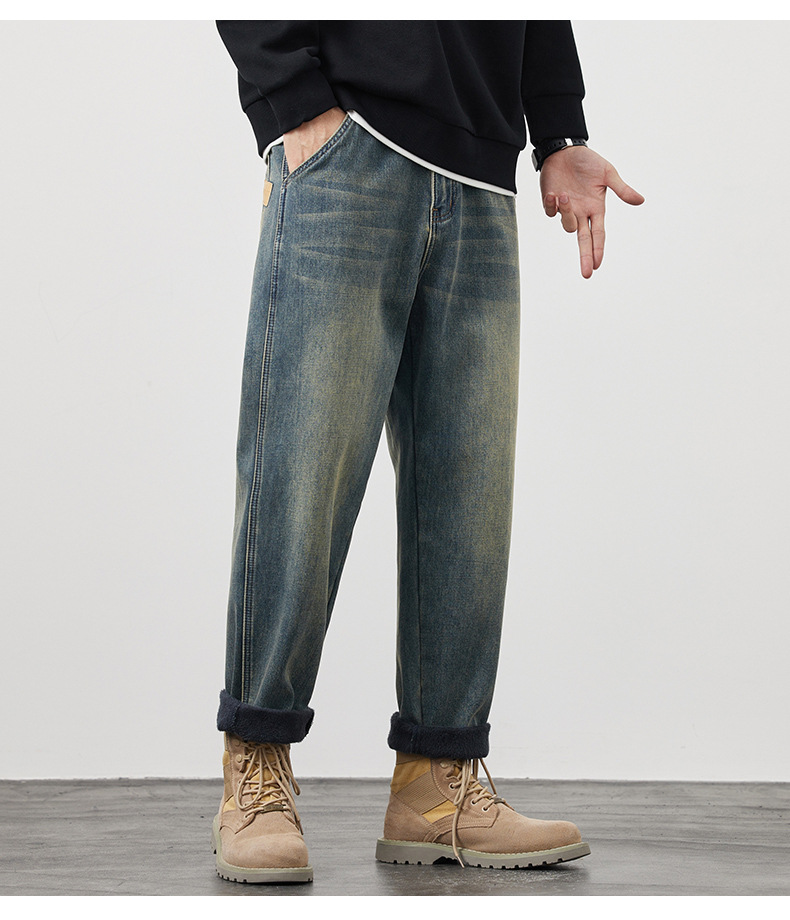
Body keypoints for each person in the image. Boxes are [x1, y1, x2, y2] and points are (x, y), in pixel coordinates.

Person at [212, 20, 644, 884]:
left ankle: (439, 783)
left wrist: (560, 130)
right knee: (302, 471)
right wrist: (290, 99)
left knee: (468, 490)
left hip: (481, 170)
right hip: (349, 143)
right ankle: (254, 770)